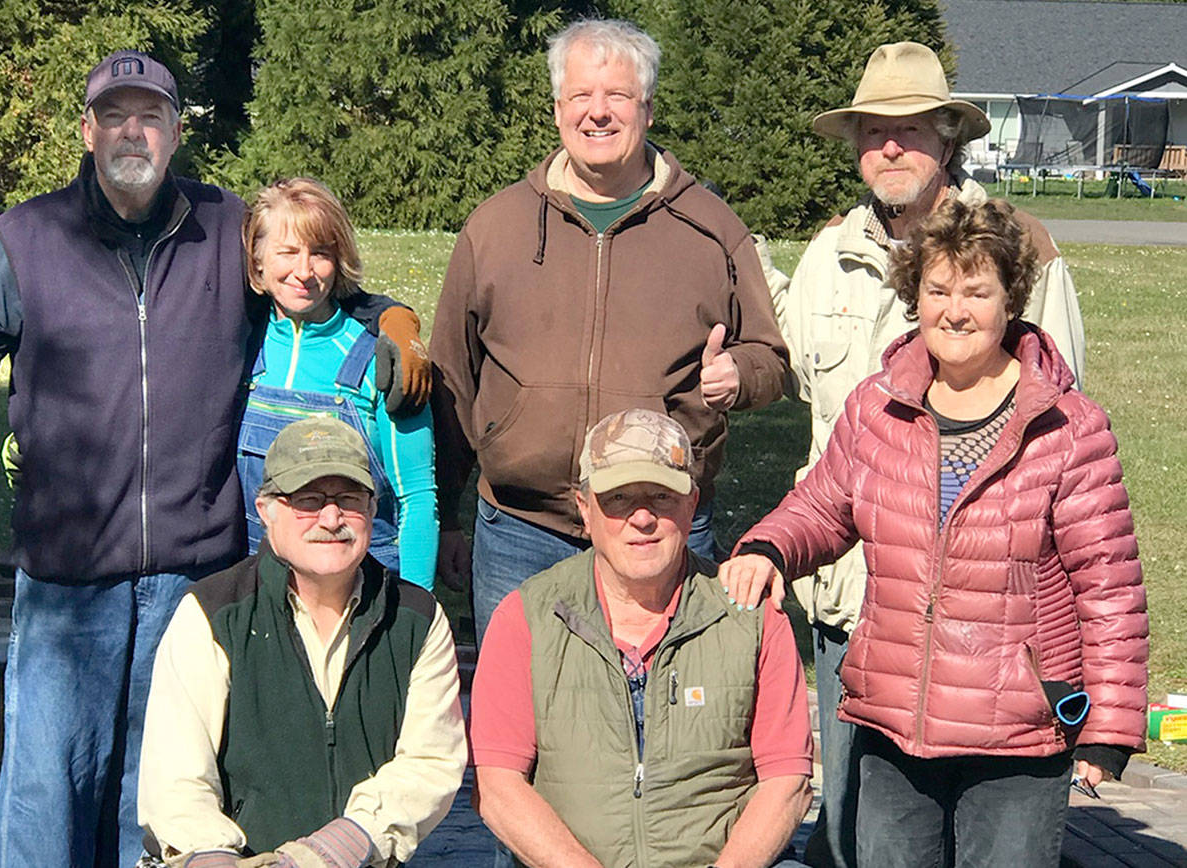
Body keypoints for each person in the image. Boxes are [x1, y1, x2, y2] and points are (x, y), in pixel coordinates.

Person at [0, 51, 428, 868]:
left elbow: (308, 282)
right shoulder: (29, 239)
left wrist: (393, 319)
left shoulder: (223, 228)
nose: (131, 131)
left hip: (191, 574)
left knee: (165, 793)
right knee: (44, 795)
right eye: (114, 115)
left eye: (151, 116)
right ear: (87, 130)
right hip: (69, 573)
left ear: (176, 133)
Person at [722, 199, 1147, 868]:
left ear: (1011, 299)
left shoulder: (1069, 429)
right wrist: (770, 546)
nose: (955, 310)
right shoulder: (876, 408)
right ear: (913, 294)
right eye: (938, 289)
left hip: (1018, 736)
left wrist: (1109, 728)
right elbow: (825, 505)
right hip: (893, 724)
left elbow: (1110, 587)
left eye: (977, 291)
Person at [768, 41, 1087, 868]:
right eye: (873, 132)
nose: (890, 148)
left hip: (991, 631)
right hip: (857, 614)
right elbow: (815, 424)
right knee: (855, 843)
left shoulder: (1022, 249)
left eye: (910, 130)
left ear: (950, 137)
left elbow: (1063, 430)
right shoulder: (826, 254)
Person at [430, 18, 788, 641]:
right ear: (557, 110)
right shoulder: (495, 227)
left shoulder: (710, 228)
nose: (598, 113)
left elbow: (771, 357)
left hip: (661, 524)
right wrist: (445, 519)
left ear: (647, 109)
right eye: (581, 97)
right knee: (519, 727)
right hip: (520, 530)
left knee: (658, 724)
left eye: (617, 96)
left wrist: (741, 373)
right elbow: (451, 379)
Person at [470, 408, 814, 868]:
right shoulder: (528, 616)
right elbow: (498, 788)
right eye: (618, 499)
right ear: (584, 509)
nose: (642, 518)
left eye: (661, 496)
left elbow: (786, 783)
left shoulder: (751, 620)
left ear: (692, 505)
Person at [138, 414, 465, 868]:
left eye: (348, 499)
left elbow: (431, 762)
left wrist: (330, 852)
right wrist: (211, 856)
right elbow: (174, 779)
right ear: (265, 509)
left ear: (372, 510)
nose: (330, 519)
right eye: (307, 500)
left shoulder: (417, 620)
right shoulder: (210, 614)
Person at [237, 178, 437, 590]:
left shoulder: (380, 356)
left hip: (364, 588)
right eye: (287, 252)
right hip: (261, 588)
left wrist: (417, 612)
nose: (304, 271)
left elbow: (416, 499)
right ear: (257, 262)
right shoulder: (240, 348)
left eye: (320, 254)